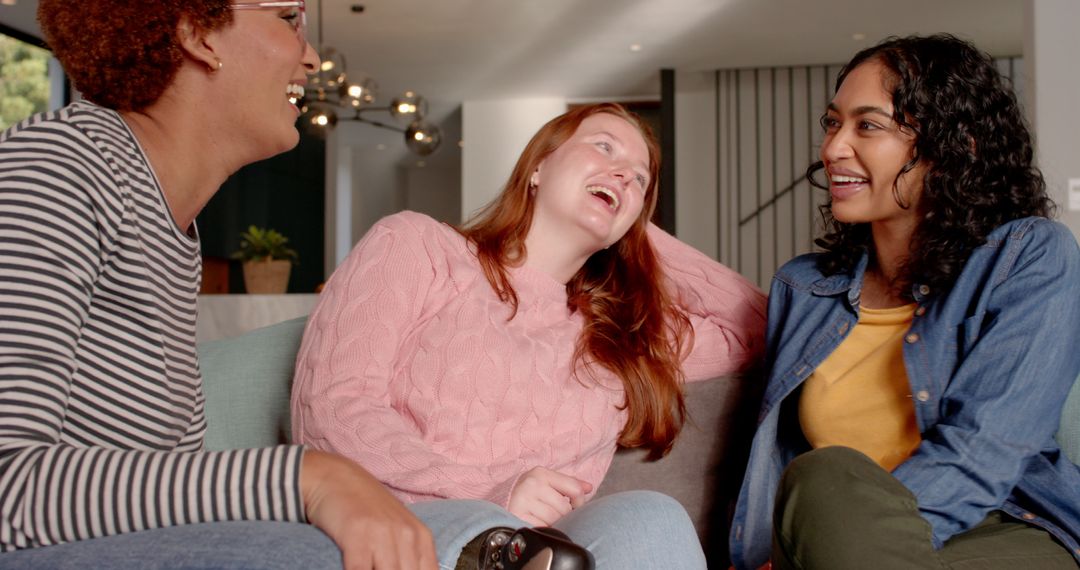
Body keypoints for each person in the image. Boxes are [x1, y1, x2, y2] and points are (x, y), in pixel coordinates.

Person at [0, 2, 437, 569]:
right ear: (197, 33)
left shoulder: (168, 225)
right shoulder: (54, 167)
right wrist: (307, 477)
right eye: (288, 18)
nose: (311, 57)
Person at [290, 102, 768, 569]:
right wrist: (488, 495)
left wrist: (633, 227)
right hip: (407, 533)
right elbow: (331, 410)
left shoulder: (620, 336)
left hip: (545, 554)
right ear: (538, 166)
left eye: (641, 179)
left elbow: (761, 326)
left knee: (652, 517)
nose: (625, 173)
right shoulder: (419, 246)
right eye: (604, 147)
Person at [728, 34, 1080, 570]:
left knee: (829, 483)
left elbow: (989, 448)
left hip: (1004, 528)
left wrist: (865, 532)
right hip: (836, 537)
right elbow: (783, 467)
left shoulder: (1029, 254)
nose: (833, 148)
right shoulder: (803, 287)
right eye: (832, 123)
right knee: (823, 474)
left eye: (868, 126)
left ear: (956, 145)